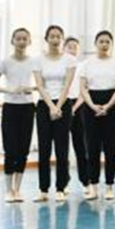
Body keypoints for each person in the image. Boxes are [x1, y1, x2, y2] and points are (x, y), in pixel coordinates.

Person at [0, 28, 36, 203]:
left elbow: (40, 84)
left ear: (29, 41)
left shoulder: (34, 62)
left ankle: (18, 189)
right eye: (18, 38)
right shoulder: (6, 62)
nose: (22, 41)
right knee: (11, 150)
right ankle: (8, 190)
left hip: (28, 108)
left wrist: (32, 88)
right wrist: (10, 89)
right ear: (13, 41)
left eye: (25, 39)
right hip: (10, 107)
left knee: (23, 150)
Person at [79, 30, 115, 201]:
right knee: (92, 148)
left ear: (111, 44)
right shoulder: (86, 64)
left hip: (111, 104)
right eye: (101, 41)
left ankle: (109, 186)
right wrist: (92, 106)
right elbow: (83, 87)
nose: (104, 44)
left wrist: (107, 106)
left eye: (107, 41)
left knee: (111, 147)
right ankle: (93, 186)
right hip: (91, 105)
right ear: (95, 44)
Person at [32, 25, 76, 202]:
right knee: (44, 149)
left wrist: (58, 106)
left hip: (63, 105)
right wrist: (51, 106)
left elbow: (67, 84)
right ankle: (43, 189)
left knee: (61, 149)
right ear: (46, 39)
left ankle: (61, 187)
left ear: (62, 39)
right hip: (44, 105)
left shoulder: (69, 60)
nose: (55, 39)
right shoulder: (38, 60)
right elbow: (40, 85)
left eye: (59, 36)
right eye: (52, 36)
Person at [64, 37, 88, 193]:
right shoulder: (60, 66)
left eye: (75, 47)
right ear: (64, 48)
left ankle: (86, 182)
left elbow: (84, 90)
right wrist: (66, 107)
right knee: (62, 148)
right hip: (62, 105)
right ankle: (63, 183)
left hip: (79, 107)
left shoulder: (83, 67)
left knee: (81, 146)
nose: (72, 49)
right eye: (70, 47)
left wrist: (74, 108)